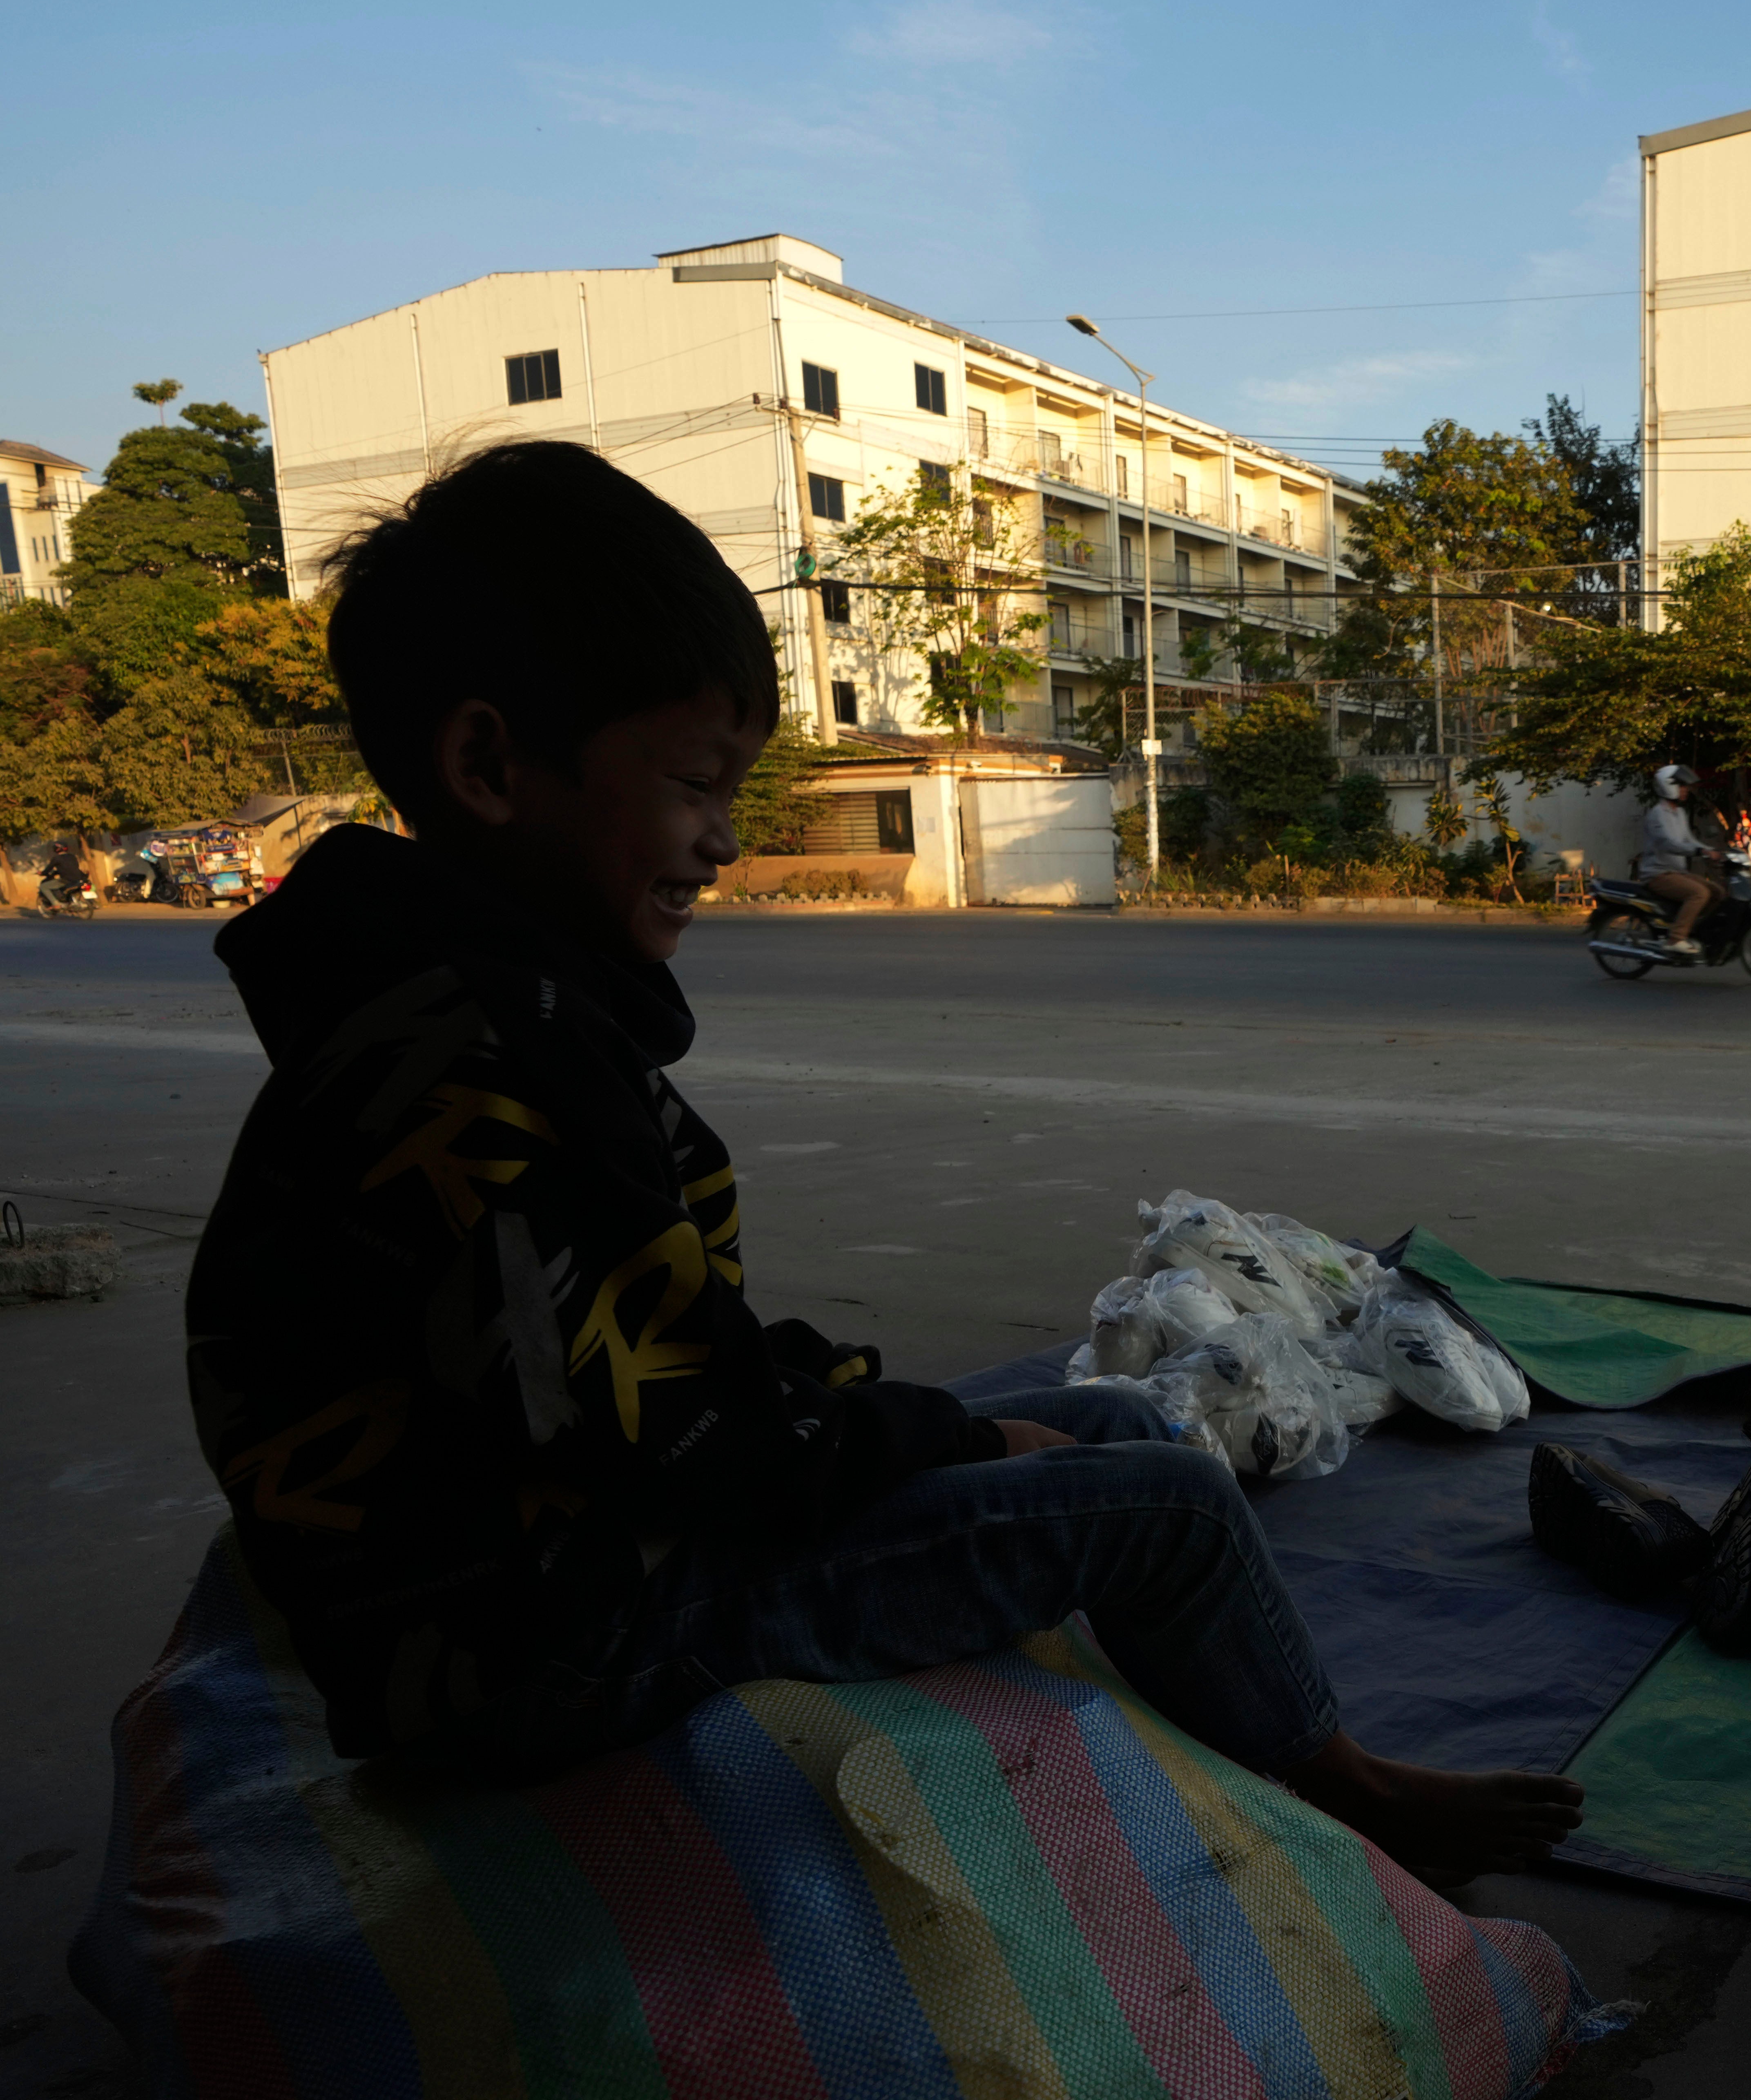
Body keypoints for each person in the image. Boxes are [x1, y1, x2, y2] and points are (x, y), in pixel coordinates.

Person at [184, 440, 1579, 1882]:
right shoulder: (469, 1073)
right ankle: (1349, 1791)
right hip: (549, 1639)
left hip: (599, 1540)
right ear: (490, 767)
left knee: (1111, 1420)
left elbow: (668, 1359)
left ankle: (1239, 1735)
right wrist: (939, 1443)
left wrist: (908, 1428)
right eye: (695, 785)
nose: (722, 841)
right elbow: (677, 1444)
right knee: (1165, 1504)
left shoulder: (493, 1013)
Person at [1637, 762, 1717, 960]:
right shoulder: (1657, 814)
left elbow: (1689, 840)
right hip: (1658, 874)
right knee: (1699, 893)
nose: (1686, 790)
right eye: (1682, 786)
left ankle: (1694, 931)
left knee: (1717, 892)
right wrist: (1699, 851)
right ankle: (1676, 939)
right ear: (1669, 786)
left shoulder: (1680, 813)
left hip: (1678, 873)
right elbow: (1668, 844)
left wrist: (1712, 851)